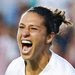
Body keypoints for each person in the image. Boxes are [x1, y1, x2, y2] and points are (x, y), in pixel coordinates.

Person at [5, 6, 75, 75]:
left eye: (33, 28)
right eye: (21, 27)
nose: (24, 33)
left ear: (49, 37)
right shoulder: (14, 67)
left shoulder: (65, 72)